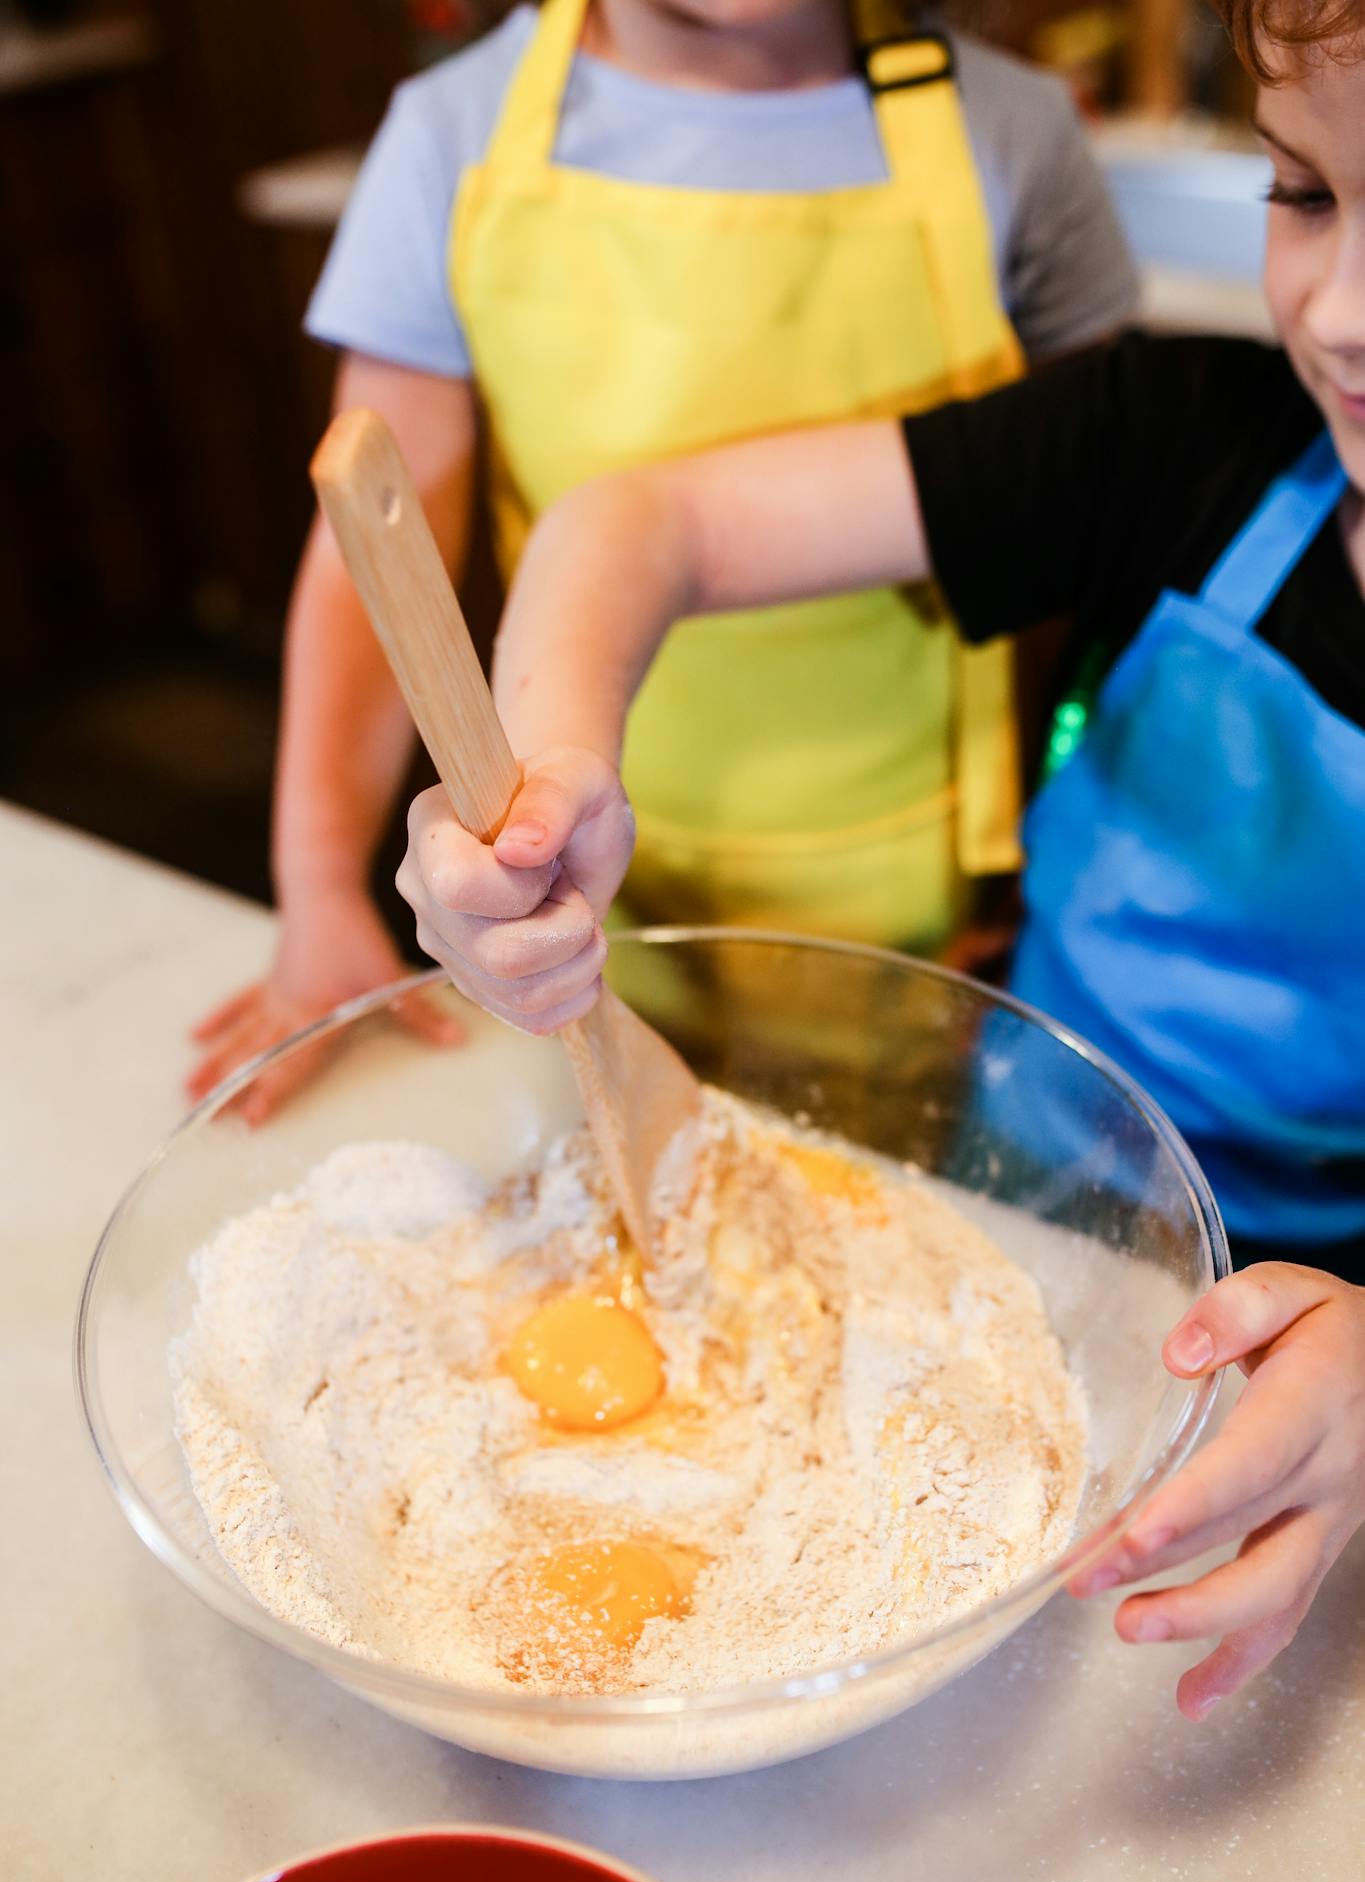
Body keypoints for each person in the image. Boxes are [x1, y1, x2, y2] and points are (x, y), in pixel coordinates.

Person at [397, 0, 1365, 1715]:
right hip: (1005, 1207)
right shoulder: (1183, 445)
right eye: (1306, 194)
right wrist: (549, 773)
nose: (1341, 314)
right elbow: (648, 517)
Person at [188, 0, 1136, 1123]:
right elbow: (377, 559)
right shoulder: (455, 133)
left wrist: (1062, 869)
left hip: (919, 910)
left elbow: (1102, 536)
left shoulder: (1013, 134)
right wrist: (314, 877)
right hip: (568, 882)